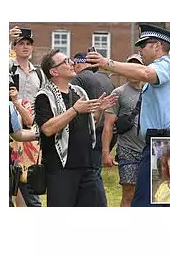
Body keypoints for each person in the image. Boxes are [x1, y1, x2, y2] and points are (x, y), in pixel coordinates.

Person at [86, 23, 170, 207]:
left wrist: (107, 63)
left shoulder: (165, 66)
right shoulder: (161, 68)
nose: (140, 50)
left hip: (164, 144)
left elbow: (145, 73)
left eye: (143, 45)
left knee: (155, 203)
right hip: (157, 144)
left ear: (157, 46)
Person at [33, 50, 116, 207]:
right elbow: (48, 129)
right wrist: (74, 110)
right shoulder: (44, 97)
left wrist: (100, 109)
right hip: (61, 169)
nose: (71, 63)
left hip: (87, 165)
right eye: (65, 61)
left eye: (69, 60)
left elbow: (90, 122)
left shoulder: (79, 92)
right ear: (54, 71)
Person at [71, 51, 116, 205]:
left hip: (93, 132)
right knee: (95, 173)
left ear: (78, 64)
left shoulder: (78, 79)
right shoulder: (104, 78)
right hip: (109, 132)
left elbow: (74, 107)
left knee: (91, 175)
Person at [101, 54, 146, 207]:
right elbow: (108, 125)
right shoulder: (118, 93)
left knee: (149, 192)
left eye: (137, 66)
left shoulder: (152, 91)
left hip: (149, 149)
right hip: (128, 150)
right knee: (129, 193)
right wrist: (106, 153)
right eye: (130, 67)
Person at [9, 26, 46, 207]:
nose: (25, 47)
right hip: (12, 127)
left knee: (28, 176)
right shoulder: (9, 68)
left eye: (28, 44)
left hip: (31, 130)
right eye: (21, 43)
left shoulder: (39, 72)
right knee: (13, 176)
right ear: (14, 47)